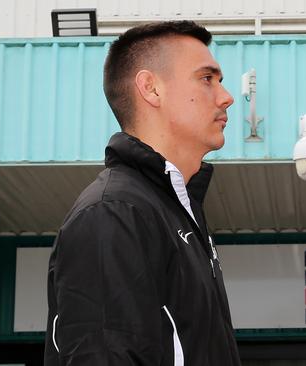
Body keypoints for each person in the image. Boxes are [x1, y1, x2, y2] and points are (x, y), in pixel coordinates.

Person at [44, 21, 241, 365]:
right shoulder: (113, 214)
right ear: (151, 88)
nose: (226, 97)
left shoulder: (174, 212)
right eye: (207, 78)